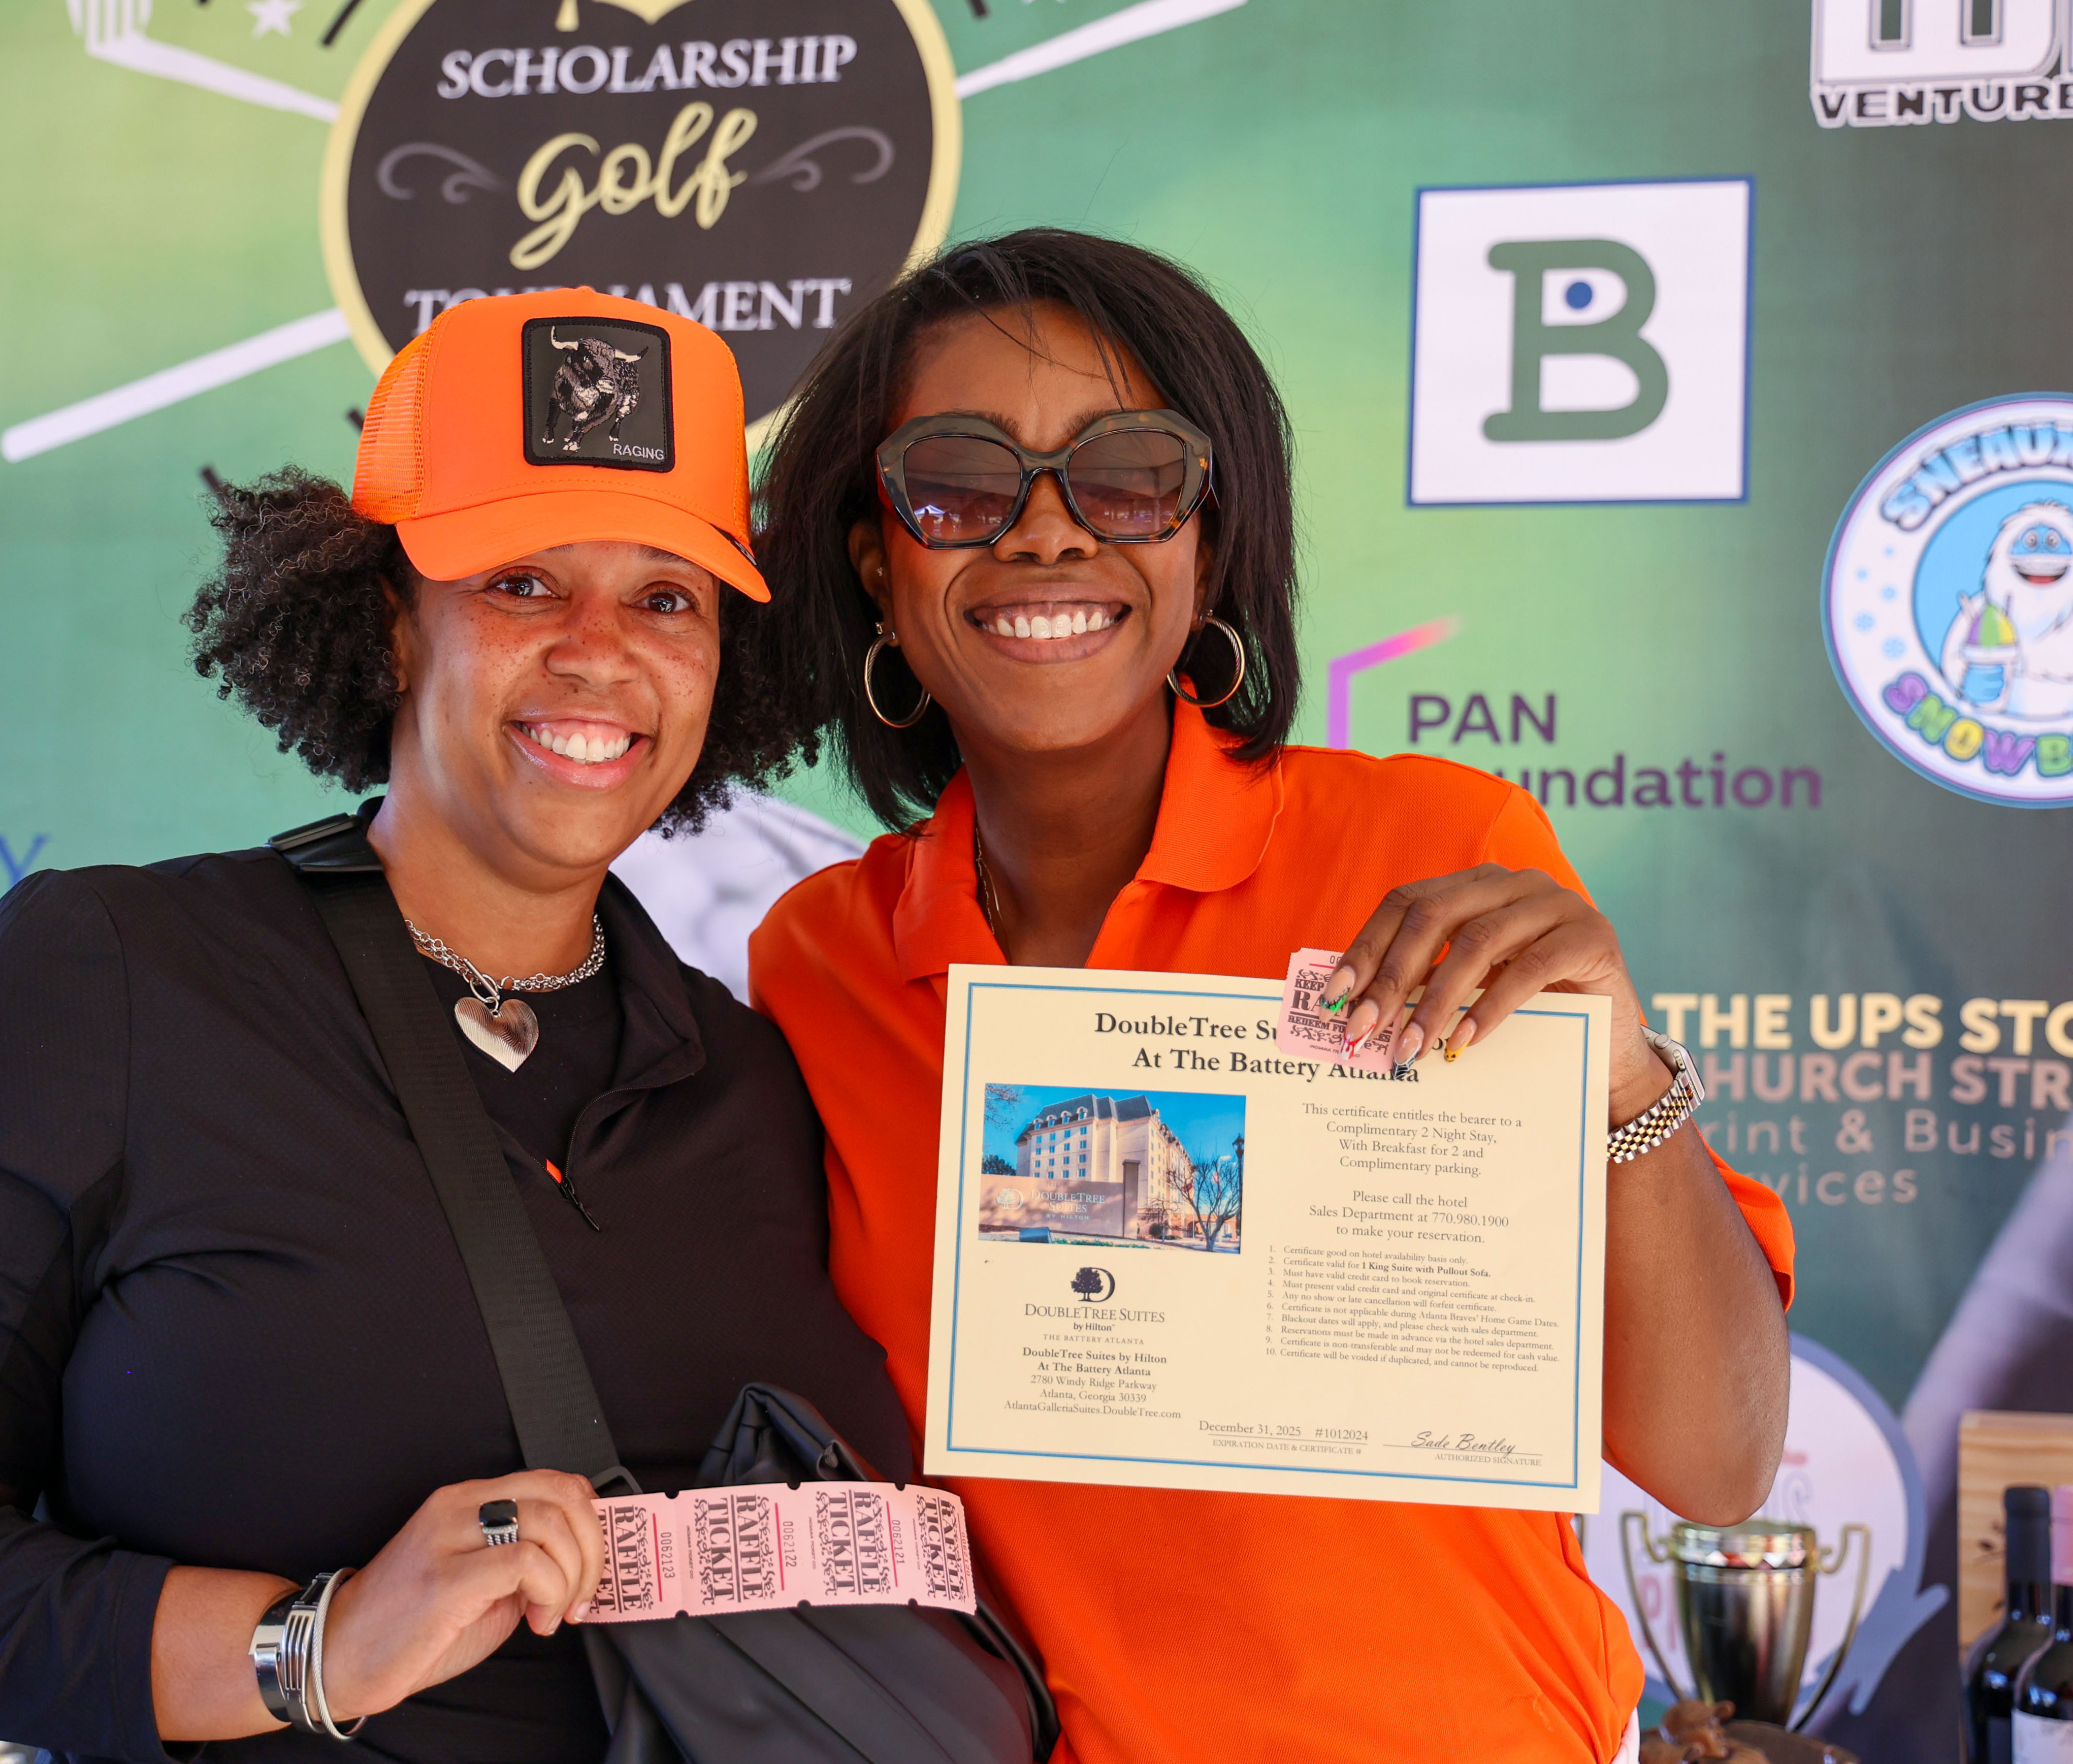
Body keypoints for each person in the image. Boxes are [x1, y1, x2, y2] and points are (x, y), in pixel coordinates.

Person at [0, 288, 917, 1764]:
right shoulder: (111, 979)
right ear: (390, 622)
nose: (600, 650)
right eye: (522, 582)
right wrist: (315, 1643)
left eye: (667, 596)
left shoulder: (756, 1074)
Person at [742, 230, 1796, 1764]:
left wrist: (1626, 1077)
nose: (1047, 533)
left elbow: (1718, 1464)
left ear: (1209, 539)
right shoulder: (820, 962)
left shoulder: (1440, 853)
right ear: (875, 562)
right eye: (959, 484)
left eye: (1128, 476)